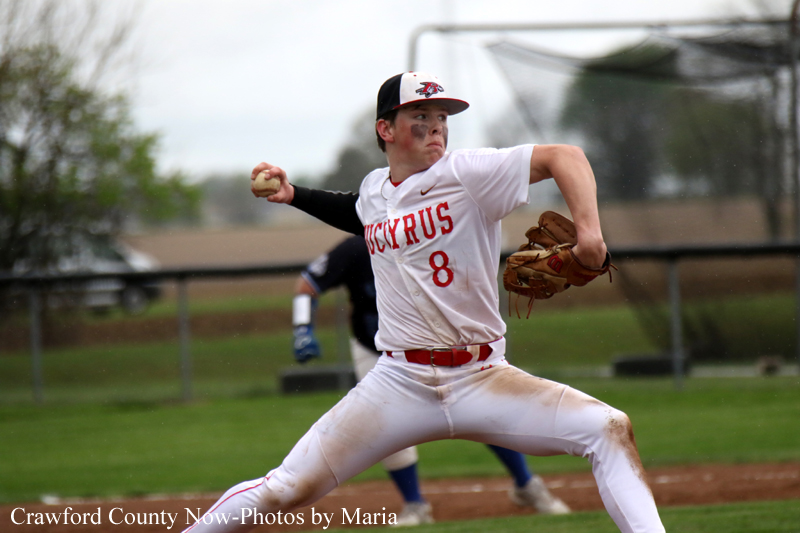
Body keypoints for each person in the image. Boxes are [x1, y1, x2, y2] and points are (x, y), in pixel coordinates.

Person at [184, 71, 665, 533]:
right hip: (398, 383)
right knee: (284, 489)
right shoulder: (375, 190)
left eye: (441, 118)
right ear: (385, 129)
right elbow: (357, 209)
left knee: (608, 428)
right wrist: (293, 195)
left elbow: (567, 156)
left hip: (483, 377)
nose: (436, 127)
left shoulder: (468, 173)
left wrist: (591, 238)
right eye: (420, 117)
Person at [292, 234, 570, 525]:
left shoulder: (427, 235)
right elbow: (307, 285)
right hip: (375, 349)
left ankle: (526, 485)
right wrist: (302, 327)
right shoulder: (355, 249)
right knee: (384, 424)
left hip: (437, 346)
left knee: (481, 412)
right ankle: (415, 505)